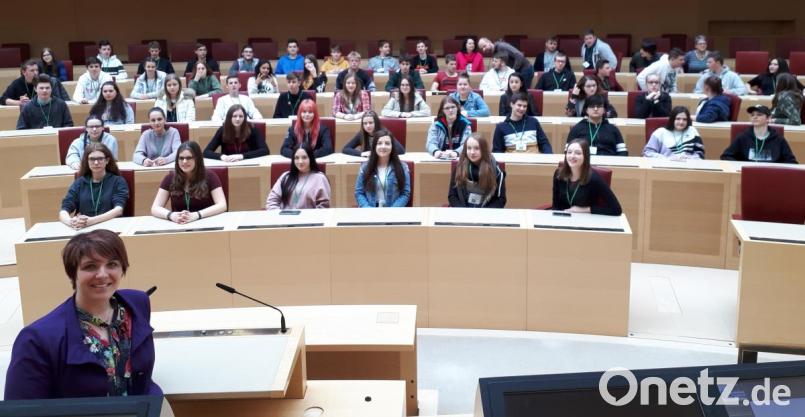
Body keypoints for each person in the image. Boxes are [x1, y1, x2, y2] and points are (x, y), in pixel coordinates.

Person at [4, 229, 161, 400]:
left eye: (112, 264)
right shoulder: (36, 340)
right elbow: (20, 410)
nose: (102, 274)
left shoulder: (137, 303)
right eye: (90, 266)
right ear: (73, 273)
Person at [151, 141, 227, 223]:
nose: (184, 161)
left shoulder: (210, 176)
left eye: (189, 158)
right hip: (179, 226)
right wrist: (171, 215)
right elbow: (155, 208)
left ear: (197, 159)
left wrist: (197, 215)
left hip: (205, 224)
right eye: (181, 158)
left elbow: (222, 205)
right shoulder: (170, 178)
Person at [59, 143, 128, 229]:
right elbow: (64, 210)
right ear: (87, 161)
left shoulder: (117, 181)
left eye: (100, 159)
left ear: (107, 160)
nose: (96, 162)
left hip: (110, 227)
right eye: (92, 159)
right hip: (84, 228)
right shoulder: (80, 182)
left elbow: (118, 210)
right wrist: (72, 222)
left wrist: (91, 221)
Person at [552, 139, 622, 215]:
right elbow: (555, 206)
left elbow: (616, 210)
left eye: (578, 153)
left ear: (586, 156)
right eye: (569, 152)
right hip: (563, 219)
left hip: (586, 220)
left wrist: (585, 209)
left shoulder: (594, 179)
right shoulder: (559, 174)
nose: (572, 156)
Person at [720, 105, 798, 163]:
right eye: (752, 115)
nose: (755, 117)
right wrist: (741, 166)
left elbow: (791, 162)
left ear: (768, 118)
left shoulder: (779, 139)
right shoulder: (742, 137)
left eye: (759, 115)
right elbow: (726, 156)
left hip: (772, 176)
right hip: (748, 174)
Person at [354, 129, 411, 207]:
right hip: (370, 213)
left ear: (392, 146)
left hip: (393, 213)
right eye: (379, 143)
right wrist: (368, 210)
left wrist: (392, 212)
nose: (383, 146)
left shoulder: (403, 167)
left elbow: (405, 193)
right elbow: (359, 192)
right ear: (374, 146)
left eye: (387, 143)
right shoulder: (365, 167)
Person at [266, 144, 331, 210]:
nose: (300, 161)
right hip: (284, 218)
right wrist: (279, 217)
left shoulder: (320, 178)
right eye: (296, 158)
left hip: (309, 219)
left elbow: (323, 207)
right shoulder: (285, 177)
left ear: (310, 158)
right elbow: (271, 202)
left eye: (304, 157)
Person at [449, 134, 506, 208]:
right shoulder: (459, 167)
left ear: (484, 149)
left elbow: (500, 200)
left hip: (486, 213)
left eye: (477, 148)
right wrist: (462, 211)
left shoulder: (497, 171)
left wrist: (482, 214)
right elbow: (452, 195)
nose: (472, 152)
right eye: (469, 148)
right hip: (462, 211)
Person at [204, 104, 269, 161]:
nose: (238, 119)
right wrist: (222, 156)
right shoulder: (222, 130)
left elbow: (265, 150)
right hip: (228, 164)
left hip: (248, 163)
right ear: (229, 118)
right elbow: (206, 152)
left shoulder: (252, 129)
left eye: (241, 116)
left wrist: (242, 156)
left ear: (245, 118)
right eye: (234, 116)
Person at [2, 60, 71, 105]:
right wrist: (19, 102)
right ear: (24, 72)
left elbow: (57, 100)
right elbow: (3, 99)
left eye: (37, 70)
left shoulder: (44, 81)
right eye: (32, 70)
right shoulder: (17, 83)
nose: (36, 73)